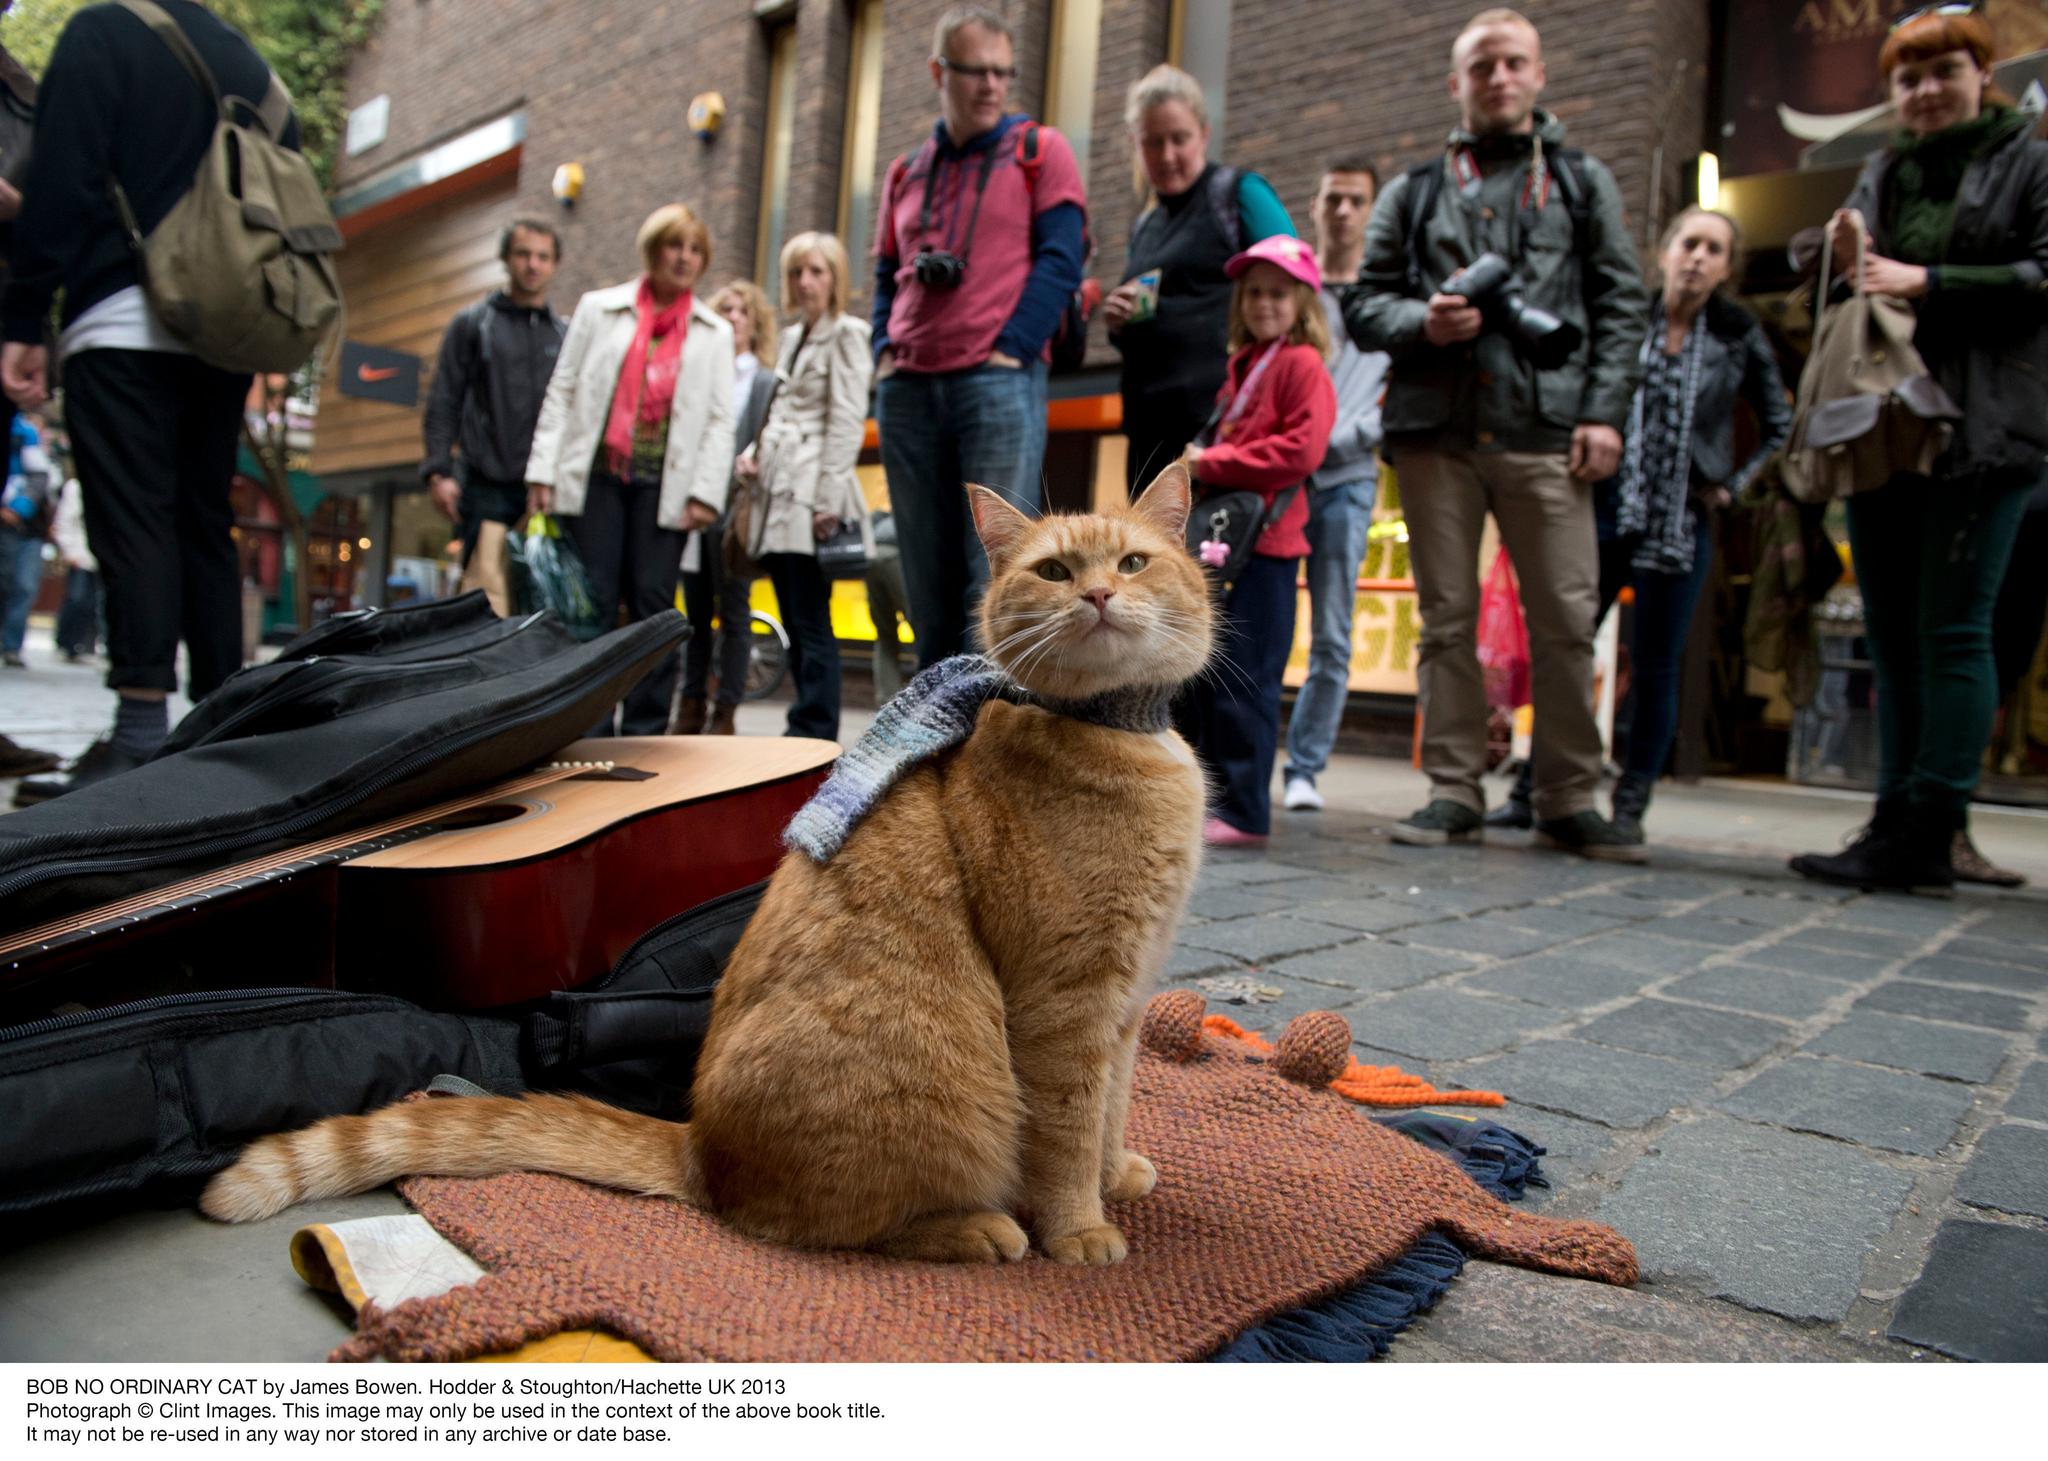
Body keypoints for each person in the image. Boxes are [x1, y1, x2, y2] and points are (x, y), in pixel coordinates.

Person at [1344, 7, 1649, 859]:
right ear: (1458, 83)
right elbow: (1363, 303)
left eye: (1514, 63)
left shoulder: (1584, 183)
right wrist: (1421, 321)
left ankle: (1566, 795)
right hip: (1436, 433)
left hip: (1548, 432)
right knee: (1446, 619)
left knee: (1564, 618)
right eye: (1483, 66)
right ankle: (1452, 788)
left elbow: (1623, 303)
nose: (1500, 78)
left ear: (1540, 74)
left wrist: (1603, 412)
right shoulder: (1413, 190)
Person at [3, 0, 298, 802]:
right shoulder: (250, 65)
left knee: (131, 516)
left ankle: (139, 735)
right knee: (203, 517)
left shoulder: (103, 33)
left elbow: (63, 176)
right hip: (223, 325)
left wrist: (26, 314)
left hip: (119, 312)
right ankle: (218, 735)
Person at [1791, 7, 2048, 895]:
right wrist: (1834, 246)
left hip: (1984, 425)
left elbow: (2040, 275)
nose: (1926, 91)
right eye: (1908, 78)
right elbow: (1827, 271)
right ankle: (1892, 814)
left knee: (1955, 627)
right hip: (1885, 420)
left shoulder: (2029, 161)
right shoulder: (1883, 167)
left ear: (1985, 75)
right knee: (1893, 630)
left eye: (1944, 72)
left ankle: (1936, 825)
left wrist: (1929, 281)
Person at [1490, 208, 1790, 838]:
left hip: (1682, 522)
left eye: (1714, 249)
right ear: (1665, 252)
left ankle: (1631, 803)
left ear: (1727, 267)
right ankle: (1533, 787)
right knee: (1567, 649)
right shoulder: (1628, 323)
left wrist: (1734, 487)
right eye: (1689, 243)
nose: (1698, 258)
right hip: (1609, 510)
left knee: (1658, 664)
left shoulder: (1737, 333)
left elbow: (1779, 427)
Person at [871, 5, 1087, 669]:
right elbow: (884, 271)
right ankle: (936, 740)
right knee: (925, 583)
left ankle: (994, 744)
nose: (992, 85)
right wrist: (883, 351)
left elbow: (1063, 256)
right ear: (940, 71)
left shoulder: (1039, 150)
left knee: (997, 575)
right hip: (907, 389)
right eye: (976, 71)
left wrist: (1013, 347)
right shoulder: (906, 173)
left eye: (1003, 71)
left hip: (996, 381)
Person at [524, 203, 735, 736]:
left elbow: (718, 419)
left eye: (694, 250)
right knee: (591, 604)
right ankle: (587, 724)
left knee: (653, 609)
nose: (684, 258)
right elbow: (564, 389)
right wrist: (542, 473)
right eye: (674, 245)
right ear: (653, 249)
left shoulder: (713, 331)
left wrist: (705, 495)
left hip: (667, 489)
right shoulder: (599, 310)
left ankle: (643, 728)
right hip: (596, 480)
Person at [1180, 235, 1336, 846]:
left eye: (1278, 293)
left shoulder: (1300, 365)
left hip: (1268, 549)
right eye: (1254, 294)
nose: (1265, 304)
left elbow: (1303, 449)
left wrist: (1214, 461)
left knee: (1247, 680)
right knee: (1215, 678)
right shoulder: (1246, 365)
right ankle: (1214, 801)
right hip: (1236, 546)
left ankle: (1244, 810)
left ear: (1301, 303)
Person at [1105, 65, 1296, 496]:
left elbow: (1296, 281)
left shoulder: (1237, 194)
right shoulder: (1146, 225)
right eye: (1153, 142)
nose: (1167, 154)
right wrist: (1120, 322)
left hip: (1219, 424)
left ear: (1204, 135)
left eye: (1179, 138)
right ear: (1136, 145)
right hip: (1150, 425)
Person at [1282, 159, 1391, 813]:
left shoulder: (1386, 295)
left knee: (1332, 631)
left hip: (1348, 478)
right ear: (1315, 205)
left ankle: (1305, 768)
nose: (1343, 211)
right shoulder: (1296, 290)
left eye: (1356, 201)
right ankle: (1241, 758)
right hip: (1285, 480)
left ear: (1370, 211)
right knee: (1262, 619)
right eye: (1333, 199)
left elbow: (1393, 395)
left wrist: (1334, 439)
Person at [737, 233, 873, 742]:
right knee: (794, 615)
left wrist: (828, 501)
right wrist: (753, 456)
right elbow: (779, 411)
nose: (805, 282)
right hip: (776, 495)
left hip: (811, 497)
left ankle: (816, 727)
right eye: (797, 272)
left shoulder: (848, 334)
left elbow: (846, 421)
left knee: (812, 618)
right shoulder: (793, 338)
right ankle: (805, 718)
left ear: (835, 278)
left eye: (816, 271)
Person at [421, 219, 566, 569]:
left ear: (554, 264)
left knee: (543, 599)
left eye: (543, 257)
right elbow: (444, 399)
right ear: (505, 258)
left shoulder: (564, 334)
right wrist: (438, 472)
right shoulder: (473, 324)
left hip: (546, 489)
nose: (533, 264)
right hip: (485, 484)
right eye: (523, 254)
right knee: (483, 594)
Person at [675, 279, 778, 735]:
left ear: (755, 323)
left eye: (742, 311)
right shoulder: (698, 374)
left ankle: (727, 712)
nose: (733, 317)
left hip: (738, 515)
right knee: (694, 615)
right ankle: (691, 704)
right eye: (726, 309)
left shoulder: (765, 381)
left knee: (735, 613)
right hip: (696, 510)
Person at [1, 407, 47, 667]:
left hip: (22, 525)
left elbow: (39, 477)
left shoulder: (23, 432)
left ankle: (11, 645)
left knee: (23, 585)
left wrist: (18, 508)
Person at [52, 473, 101, 662]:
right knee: (77, 598)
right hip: (79, 553)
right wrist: (69, 550)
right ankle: (65, 642)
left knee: (93, 604)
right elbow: (64, 522)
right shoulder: (75, 487)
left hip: (101, 557)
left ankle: (84, 645)